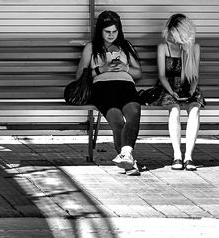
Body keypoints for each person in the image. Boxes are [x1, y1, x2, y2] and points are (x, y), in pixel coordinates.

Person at [77, 10, 143, 174]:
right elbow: (80, 76)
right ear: (100, 30)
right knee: (117, 121)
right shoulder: (91, 48)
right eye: (107, 31)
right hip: (103, 89)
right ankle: (128, 160)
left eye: (115, 31)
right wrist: (101, 69)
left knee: (133, 111)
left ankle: (126, 155)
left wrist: (125, 67)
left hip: (126, 86)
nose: (111, 35)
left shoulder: (126, 46)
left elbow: (138, 73)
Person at [153, 13, 205, 171]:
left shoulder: (194, 47)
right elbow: (162, 76)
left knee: (194, 109)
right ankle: (177, 156)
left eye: (175, 35)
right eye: (170, 34)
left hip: (188, 85)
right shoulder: (163, 47)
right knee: (174, 110)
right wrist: (172, 92)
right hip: (168, 86)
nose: (171, 38)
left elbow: (194, 75)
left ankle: (188, 157)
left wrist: (192, 90)